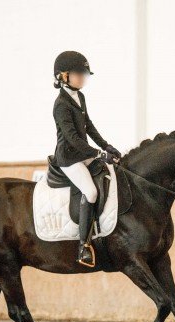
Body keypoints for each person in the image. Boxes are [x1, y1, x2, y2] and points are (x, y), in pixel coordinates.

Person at [51, 50, 122, 267]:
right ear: (63, 76)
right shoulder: (61, 104)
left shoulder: (79, 96)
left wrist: (106, 145)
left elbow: (88, 126)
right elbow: (72, 138)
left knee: (111, 172)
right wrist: (98, 154)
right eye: (78, 74)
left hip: (84, 154)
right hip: (70, 159)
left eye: (84, 75)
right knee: (90, 192)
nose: (83, 78)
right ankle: (83, 246)